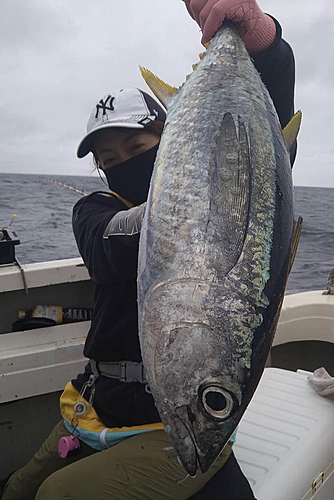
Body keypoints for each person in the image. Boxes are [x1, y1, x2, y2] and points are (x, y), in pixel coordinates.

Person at [1, 1, 296, 498]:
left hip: (166, 422)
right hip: (96, 404)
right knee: (19, 488)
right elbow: (106, 249)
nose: (121, 165)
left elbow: (262, 147)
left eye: (137, 149)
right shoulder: (95, 207)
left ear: (171, 133)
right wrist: (184, 208)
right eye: (108, 159)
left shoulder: (235, 189)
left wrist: (263, 41)